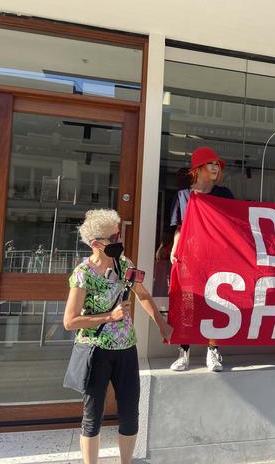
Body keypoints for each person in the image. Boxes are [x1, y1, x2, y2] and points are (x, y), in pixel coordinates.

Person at [64, 209, 173, 464]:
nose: (119, 240)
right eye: (114, 237)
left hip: (126, 348)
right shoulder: (83, 273)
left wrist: (161, 324)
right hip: (95, 350)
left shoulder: (124, 264)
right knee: (93, 415)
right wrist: (108, 317)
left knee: (129, 413)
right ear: (96, 244)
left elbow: (142, 295)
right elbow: (70, 321)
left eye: (119, 234)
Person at [169, 146, 233, 372]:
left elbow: (232, 226)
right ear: (198, 168)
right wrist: (174, 248)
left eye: (217, 164)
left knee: (216, 304)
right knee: (187, 304)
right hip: (190, 255)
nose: (215, 167)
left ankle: (213, 352)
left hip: (216, 256)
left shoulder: (224, 195)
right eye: (210, 163)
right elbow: (179, 227)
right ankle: (183, 352)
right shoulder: (184, 195)